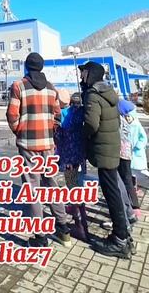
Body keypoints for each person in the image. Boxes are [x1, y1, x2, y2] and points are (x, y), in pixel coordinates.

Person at [6, 52, 71, 248]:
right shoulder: (52, 89)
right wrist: (50, 132)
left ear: (27, 66)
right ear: (41, 67)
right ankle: (63, 229)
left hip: (29, 146)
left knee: (32, 188)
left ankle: (40, 237)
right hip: (48, 146)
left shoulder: (19, 86)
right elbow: (58, 116)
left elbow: (12, 114)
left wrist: (20, 131)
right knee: (52, 184)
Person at [80, 61, 131, 258]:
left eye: (84, 73)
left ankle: (120, 239)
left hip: (102, 149)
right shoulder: (109, 92)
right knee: (114, 190)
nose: (82, 76)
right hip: (111, 146)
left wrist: (83, 134)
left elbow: (92, 123)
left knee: (111, 193)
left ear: (91, 75)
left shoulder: (93, 95)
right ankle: (123, 236)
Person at [55, 92, 89, 241]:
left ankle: (80, 225)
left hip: (68, 158)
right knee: (79, 187)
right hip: (81, 157)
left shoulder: (62, 114)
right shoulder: (81, 112)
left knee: (72, 188)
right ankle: (83, 217)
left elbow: (58, 138)